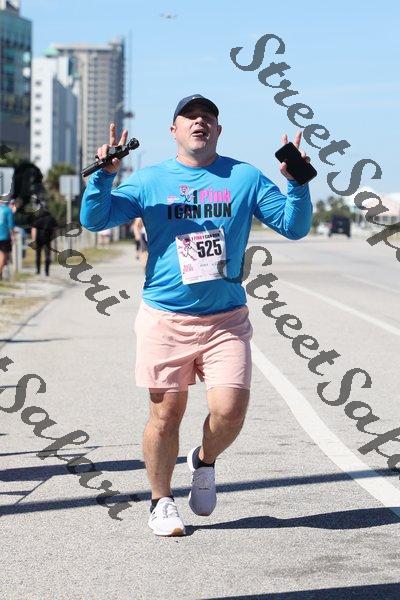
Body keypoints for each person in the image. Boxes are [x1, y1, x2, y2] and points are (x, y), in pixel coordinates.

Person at [80, 95, 313, 537]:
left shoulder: (244, 177)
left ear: (219, 130)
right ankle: (161, 501)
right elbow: (95, 220)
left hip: (225, 319)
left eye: (208, 117)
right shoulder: (150, 180)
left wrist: (298, 185)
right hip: (165, 316)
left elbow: (293, 226)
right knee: (166, 415)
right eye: (189, 117)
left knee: (230, 412)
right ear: (174, 130)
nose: (199, 121)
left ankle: (203, 461)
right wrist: (104, 177)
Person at [30, 206, 58, 276]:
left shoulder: (37, 218)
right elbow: (55, 229)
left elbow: (34, 229)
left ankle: (38, 271)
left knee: (38, 255)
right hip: (47, 239)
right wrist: (53, 237)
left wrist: (33, 239)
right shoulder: (51, 218)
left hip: (38, 239)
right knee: (47, 255)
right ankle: (47, 271)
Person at [0, 195, 14, 280]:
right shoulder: (8, 210)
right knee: (4, 255)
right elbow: (10, 226)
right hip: (4, 236)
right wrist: (13, 237)